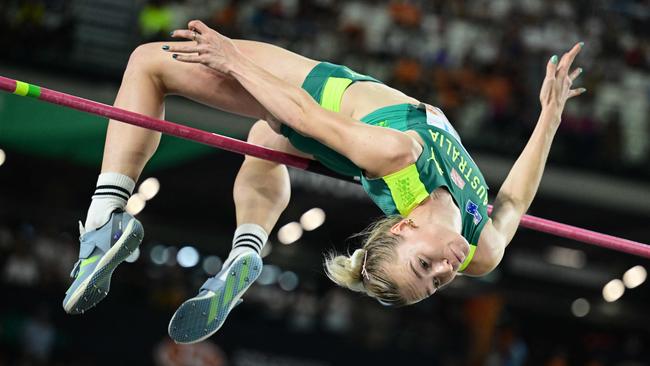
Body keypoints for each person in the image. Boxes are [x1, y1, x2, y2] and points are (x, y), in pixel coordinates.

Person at [62, 20, 585, 344]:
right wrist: (550, 117)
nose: (446, 269)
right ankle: (247, 250)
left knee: (148, 64)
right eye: (438, 280)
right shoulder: (480, 250)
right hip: (342, 139)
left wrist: (234, 61)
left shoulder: (398, 153)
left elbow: (305, 115)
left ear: (402, 227)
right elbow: (513, 201)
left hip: (322, 103)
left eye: (425, 267)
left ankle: (105, 218)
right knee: (266, 146)